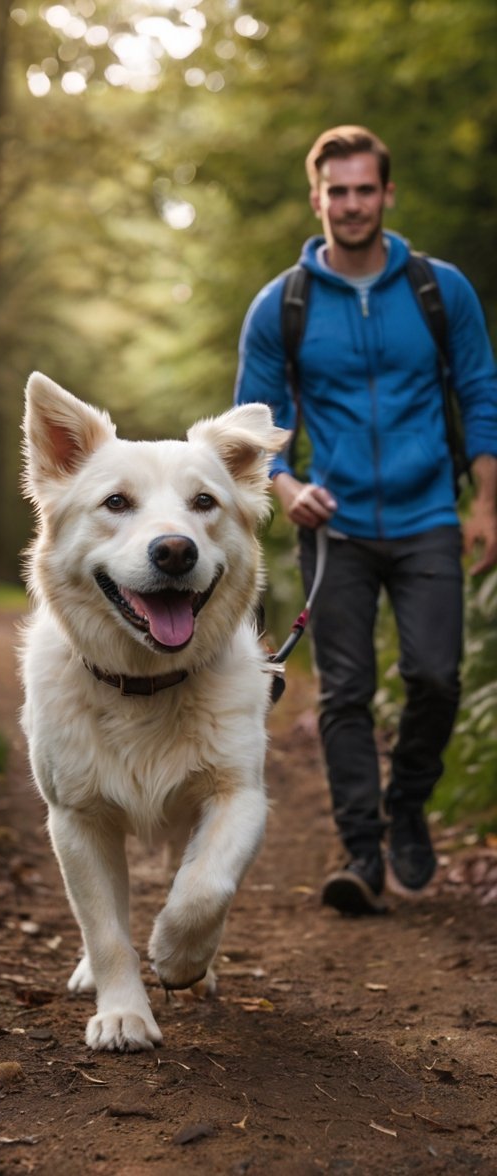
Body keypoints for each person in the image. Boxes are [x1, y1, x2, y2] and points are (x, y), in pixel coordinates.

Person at [235, 125, 497, 916]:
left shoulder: (438, 290)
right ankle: (361, 851)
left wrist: (486, 501)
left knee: (435, 677)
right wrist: (284, 486)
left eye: (364, 189)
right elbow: (254, 427)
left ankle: (409, 801)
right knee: (345, 692)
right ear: (317, 199)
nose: (350, 204)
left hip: (427, 519)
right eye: (336, 191)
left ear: (386, 195)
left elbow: (481, 393)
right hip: (335, 527)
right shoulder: (282, 304)